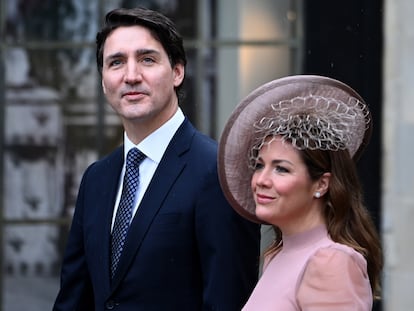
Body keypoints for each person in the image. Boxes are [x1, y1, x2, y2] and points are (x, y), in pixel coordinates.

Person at [53, 7, 260, 310]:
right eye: (116, 62)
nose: (131, 76)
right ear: (103, 80)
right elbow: (74, 299)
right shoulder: (96, 179)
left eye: (147, 59)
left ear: (178, 71)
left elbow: (228, 300)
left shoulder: (218, 171)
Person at [218, 75, 383, 310]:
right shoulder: (277, 255)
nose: (262, 180)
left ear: (321, 184)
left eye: (281, 169)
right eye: (259, 165)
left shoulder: (330, 261)